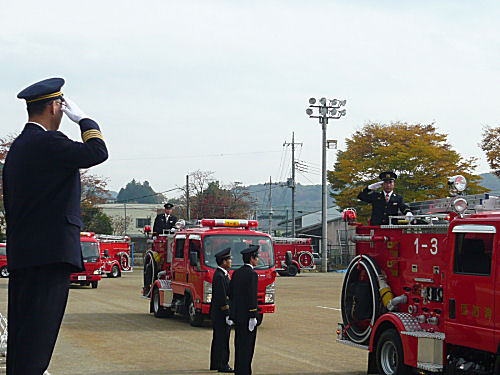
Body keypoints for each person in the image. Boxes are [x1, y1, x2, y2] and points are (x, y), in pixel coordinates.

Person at [3, 77, 108, 375]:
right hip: (50, 255)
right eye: (61, 107)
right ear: (54, 106)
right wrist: (85, 120)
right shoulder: (49, 142)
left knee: (23, 341)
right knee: (38, 343)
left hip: (24, 254)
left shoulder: (18, 148)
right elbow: (97, 152)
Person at [229, 245, 259, 375]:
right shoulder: (252, 274)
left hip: (238, 316)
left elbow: (231, 294)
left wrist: (232, 313)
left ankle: (238, 370)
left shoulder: (236, 273)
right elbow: (252, 296)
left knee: (239, 345)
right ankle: (245, 371)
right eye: (256, 257)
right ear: (252, 259)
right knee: (248, 347)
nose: (257, 260)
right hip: (248, 317)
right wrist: (253, 315)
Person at [210, 247, 234, 373]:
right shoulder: (220, 276)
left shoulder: (222, 275)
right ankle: (223, 364)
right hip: (220, 314)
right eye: (229, 259)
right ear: (224, 262)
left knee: (218, 339)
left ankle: (215, 363)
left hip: (218, 313)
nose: (231, 261)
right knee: (222, 340)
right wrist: (227, 313)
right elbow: (222, 297)